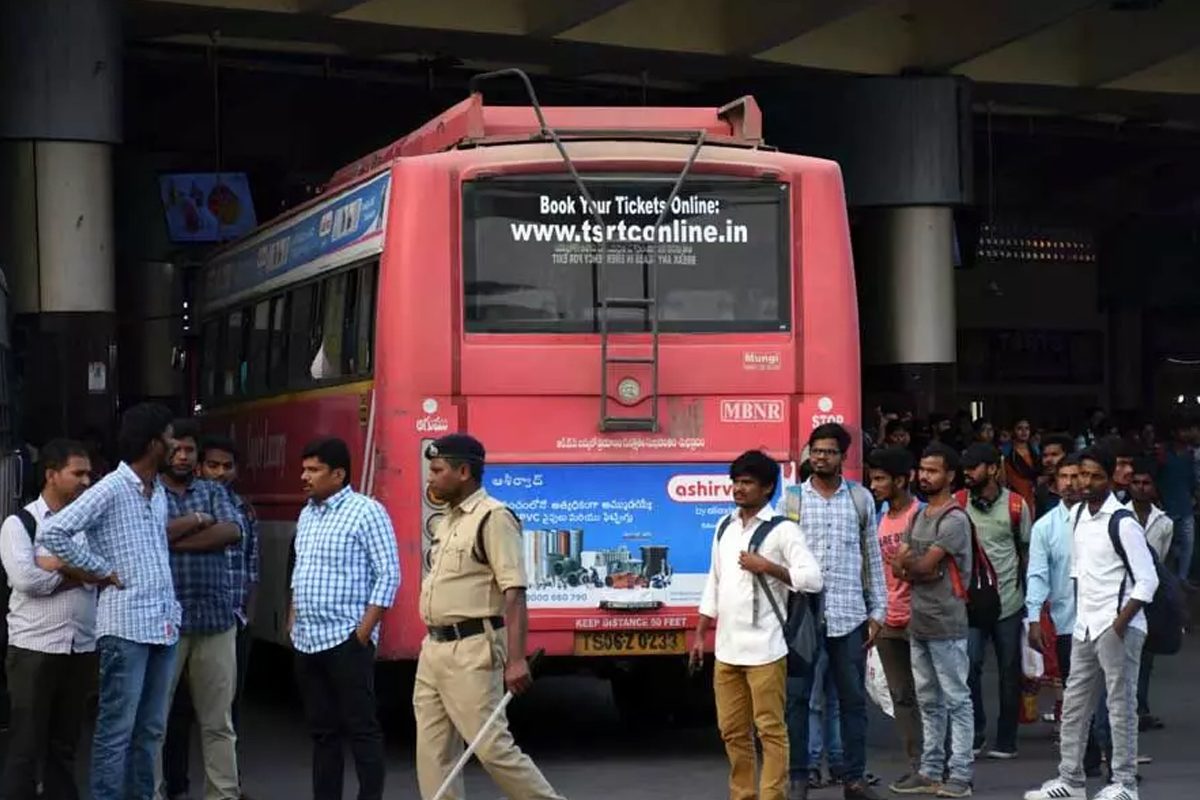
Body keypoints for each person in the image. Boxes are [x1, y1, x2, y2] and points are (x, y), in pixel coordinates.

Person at [38, 403, 181, 800]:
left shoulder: (156, 493)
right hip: (125, 627)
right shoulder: (111, 487)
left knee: (151, 728)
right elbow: (56, 532)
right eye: (170, 438)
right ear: (153, 444)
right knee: (117, 729)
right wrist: (99, 570)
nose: (176, 446)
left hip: (163, 623)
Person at [414, 434, 561, 800]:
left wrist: (515, 659)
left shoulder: (494, 517)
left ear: (463, 471)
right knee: (434, 754)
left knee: (492, 747)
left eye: (437, 470)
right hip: (433, 648)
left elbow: (515, 592)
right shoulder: (447, 520)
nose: (430, 478)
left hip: (473, 649)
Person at [1024, 447, 1157, 800]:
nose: (1085, 481)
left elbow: (1147, 581)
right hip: (1084, 626)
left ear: (1110, 478)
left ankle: (1125, 783)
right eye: (1082, 474)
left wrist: (1118, 625)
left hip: (1118, 628)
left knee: (1120, 708)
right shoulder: (1080, 514)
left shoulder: (1123, 522)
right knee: (1075, 707)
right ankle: (1071, 780)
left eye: (1095, 475)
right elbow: (1079, 574)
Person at [692, 449, 823, 800]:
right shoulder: (724, 526)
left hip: (767, 649)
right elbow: (714, 582)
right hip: (727, 650)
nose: (738, 488)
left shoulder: (783, 531)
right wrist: (701, 633)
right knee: (731, 731)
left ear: (767, 488)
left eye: (747, 482)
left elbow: (813, 579)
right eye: (736, 481)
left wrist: (769, 567)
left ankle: (772, 796)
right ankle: (743, 795)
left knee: (770, 730)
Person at [289, 437, 400, 800]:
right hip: (307, 640)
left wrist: (363, 634)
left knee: (362, 729)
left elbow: (389, 574)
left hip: (346, 640)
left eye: (314, 470)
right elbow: (300, 570)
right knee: (322, 732)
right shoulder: (307, 513)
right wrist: (292, 618)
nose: (305, 476)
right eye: (304, 469)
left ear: (338, 474)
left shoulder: (367, 511)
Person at [786, 424, 887, 800]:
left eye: (828, 451)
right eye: (816, 450)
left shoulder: (860, 500)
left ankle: (854, 779)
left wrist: (877, 611)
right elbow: (782, 557)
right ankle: (798, 778)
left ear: (843, 457)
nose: (820, 457)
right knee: (797, 700)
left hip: (849, 617)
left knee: (853, 704)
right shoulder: (792, 501)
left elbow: (872, 560)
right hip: (804, 618)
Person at [0, 439, 97, 800]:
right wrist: (76, 572)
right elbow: (26, 580)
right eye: (78, 473)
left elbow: (101, 570)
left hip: (81, 646)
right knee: (26, 744)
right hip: (35, 649)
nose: (86, 481)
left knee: (65, 745)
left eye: (89, 473)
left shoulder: (89, 526)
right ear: (52, 475)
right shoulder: (20, 524)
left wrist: (54, 565)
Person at [166, 435, 261, 800]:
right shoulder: (153, 493)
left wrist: (175, 538)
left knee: (221, 720)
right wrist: (201, 523)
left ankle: (224, 793)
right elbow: (153, 532)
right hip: (168, 622)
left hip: (221, 620)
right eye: (178, 449)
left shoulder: (220, 496)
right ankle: (168, 790)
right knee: (166, 718)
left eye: (190, 450)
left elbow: (234, 534)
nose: (184, 456)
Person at [889, 442, 974, 798]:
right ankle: (930, 769)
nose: (924, 476)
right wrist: (913, 568)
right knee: (928, 700)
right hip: (919, 620)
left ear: (950, 476)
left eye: (933, 470)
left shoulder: (953, 519)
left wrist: (912, 566)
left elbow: (916, 565)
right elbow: (899, 566)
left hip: (946, 622)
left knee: (956, 698)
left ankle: (961, 775)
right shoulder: (920, 516)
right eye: (922, 469)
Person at [958, 442, 1031, 760]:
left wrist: (1031, 598)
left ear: (992, 468)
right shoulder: (959, 504)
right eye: (965, 468)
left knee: (1009, 672)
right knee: (969, 668)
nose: (967, 474)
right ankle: (975, 733)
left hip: (1009, 603)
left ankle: (1006, 738)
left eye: (973, 467)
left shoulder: (1016, 506)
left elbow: (1026, 553)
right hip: (971, 604)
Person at [865, 447, 923, 783]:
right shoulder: (878, 520)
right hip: (887, 619)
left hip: (921, 617)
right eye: (873, 478)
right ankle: (917, 765)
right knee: (901, 696)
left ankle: (937, 763)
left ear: (901, 480)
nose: (874, 485)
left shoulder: (923, 515)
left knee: (930, 694)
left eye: (881, 478)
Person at [1127, 459, 1173, 733]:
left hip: (1150, 595)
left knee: (1145, 658)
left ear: (1153, 488)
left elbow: (1162, 561)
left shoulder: (1164, 522)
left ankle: (1140, 708)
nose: (1141, 488)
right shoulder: (1118, 515)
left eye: (1146, 484)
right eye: (1136, 483)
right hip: (1121, 594)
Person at [1157, 419, 1196, 585]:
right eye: (1182, 430)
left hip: (1185, 506)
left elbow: (1191, 479)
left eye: (1187, 430)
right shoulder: (1163, 453)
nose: (1186, 434)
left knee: (1188, 545)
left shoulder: (1189, 455)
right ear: (1174, 433)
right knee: (1166, 547)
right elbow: (1157, 478)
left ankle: (1182, 580)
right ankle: (1166, 582)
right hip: (1167, 507)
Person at [1034, 435, 1075, 521]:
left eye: (1054, 454)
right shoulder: (1041, 491)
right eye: (1045, 456)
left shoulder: (1080, 488)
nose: (1048, 460)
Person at [1003, 419, 1040, 511]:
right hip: (1014, 493)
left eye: (1027, 428)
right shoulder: (1007, 451)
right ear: (1013, 431)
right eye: (1020, 428)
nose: (1024, 432)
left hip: (1032, 494)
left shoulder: (1035, 450)